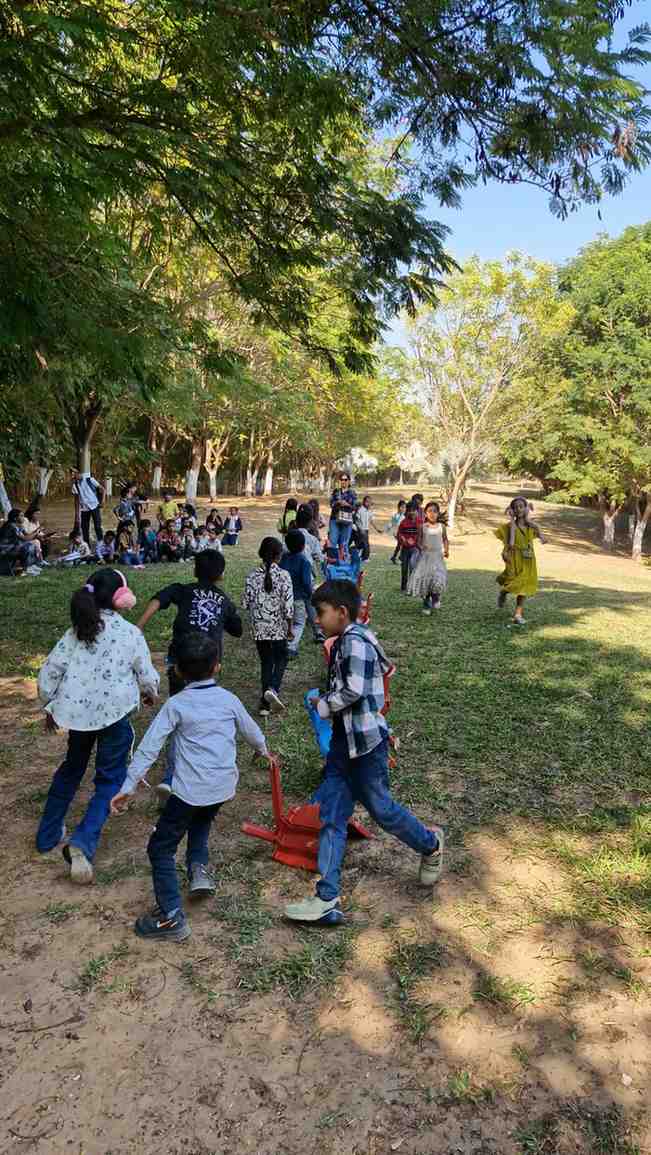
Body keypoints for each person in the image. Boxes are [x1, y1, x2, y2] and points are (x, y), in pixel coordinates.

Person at [284, 580, 444, 924]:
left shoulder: (355, 642)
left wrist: (323, 704)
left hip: (367, 747)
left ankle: (431, 844)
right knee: (332, 815)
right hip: (343, 743)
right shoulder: (348, 639)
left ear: (342, 612)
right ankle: (327, 897)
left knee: (382, 810)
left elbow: (353, 690)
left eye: (321, 613)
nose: (317, 620)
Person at [110, 632, 270, 942]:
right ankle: (199, 870)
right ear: (217, 666)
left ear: (178, 670)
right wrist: (263, 750)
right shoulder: (229, 699)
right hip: (222, 787)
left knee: (160, 848)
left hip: (190, 791)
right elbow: (252, 731)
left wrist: (129, 785)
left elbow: (149, 747)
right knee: (201, 820)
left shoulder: (177, 704)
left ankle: (171, 917)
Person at [35, 568, 159, 884]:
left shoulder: (76, 632)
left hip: (78, 718)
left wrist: (49, 705)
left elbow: (50, 672)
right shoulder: (131, 633)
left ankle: (47, 836)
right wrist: (149, 693)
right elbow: (147, 675)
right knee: (111, 778)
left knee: (71, 769)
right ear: (122, 598)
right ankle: (82, 842)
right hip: (115, 717)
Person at [137, 549, 243, 800]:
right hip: (207, 668)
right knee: (201, 719)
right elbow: (237, 629)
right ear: (221, 575)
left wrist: (138, 627)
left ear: (195, 570)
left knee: (178, 717)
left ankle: (171, 777)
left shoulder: (183, 590)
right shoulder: (224, 600)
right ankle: (191, 771)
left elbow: (158, 599)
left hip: (180, 664)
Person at [243, 537, 294, 715]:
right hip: (278, 627)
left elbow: (245, 603)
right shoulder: (284, 575)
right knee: (282, 657)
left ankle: (265, 705)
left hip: (259, 627)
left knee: (266, 661)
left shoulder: (251, 576)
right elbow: (288, 608)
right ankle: (273, 689)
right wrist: (290, 628)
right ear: (279, 556)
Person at [495, 496, 546, 625]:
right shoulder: (511, 526)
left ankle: (518, 614)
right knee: (513, 582)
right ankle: (503, 592)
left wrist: (542, 537)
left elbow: (541, 535)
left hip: (528, 560)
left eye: (521, 506)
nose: (518, 509)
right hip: (515, 558)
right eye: (515, 507)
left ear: (525, 508)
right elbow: (510, 542)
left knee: (524, 586)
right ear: (512, 510)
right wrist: (511, 519)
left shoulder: (531, 526)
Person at [408, 501, 449, 614]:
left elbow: (445, 539)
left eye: (435, 511)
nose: (432, 513)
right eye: (429, 511)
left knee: (437, 579)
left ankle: (435, 597)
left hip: (437, 558)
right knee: (425, 580)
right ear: (425, 513)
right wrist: (421, 546)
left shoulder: (441, 527)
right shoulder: (423, 527)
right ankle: (426, 604)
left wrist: (446, 550)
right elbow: (418, 541)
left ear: (438, 513)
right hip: (426, 558)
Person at [280, 530, 314, 658]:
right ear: (303, 545)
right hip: (298, 598)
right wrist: (310, 594)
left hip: (283, 597)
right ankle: (291, 647)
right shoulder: (304, 562)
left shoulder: (282, 558)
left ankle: (282, 642)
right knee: (299, 623)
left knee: (285, 620)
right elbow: (306, 582)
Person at [0, 508, 43, 574]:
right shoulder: (12, 525)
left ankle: (32, 565)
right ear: (15, 518)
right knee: (28, 546)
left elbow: (28, 535)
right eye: (21, 516)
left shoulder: (19, 525)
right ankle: (27, 568)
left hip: (13, 547)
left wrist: (37, 532)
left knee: (32, 545)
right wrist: (36, 532)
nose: (24, 518)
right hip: (5, 549)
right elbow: (25, 538)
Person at [71, 468, 104, 546]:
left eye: (74, 473)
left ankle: (101, 544)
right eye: (72, 474)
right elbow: (76, 501)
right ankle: (87, 546)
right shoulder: (75, 485)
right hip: (84, 509)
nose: (73, 476)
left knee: (97, 527)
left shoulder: (89, 480)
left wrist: (102, 501)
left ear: (79, 473)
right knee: (85, 528)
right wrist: (77, 515)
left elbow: (102, 489)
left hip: (94, 506)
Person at [329, 473, 357, 560]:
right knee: (333, 540)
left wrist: (347, 504)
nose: (343, 481)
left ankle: (344, 562)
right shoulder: (336, 492)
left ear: (349, 481)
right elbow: (331, 504)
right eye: (342, 479)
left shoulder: (353, 493)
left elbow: (355, 507)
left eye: (345, 480)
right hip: (335, 518)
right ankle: (332, 560)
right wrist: (338, 502)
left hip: (347, 520)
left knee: (344, 542)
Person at [396, 502, 420, 593]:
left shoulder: (420, 522)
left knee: (412, 567)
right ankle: (403, 587)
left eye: (414, 510)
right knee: (404, 568)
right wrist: (404, 539)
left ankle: (412, 587)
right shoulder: (404, 522)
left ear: (417, 511)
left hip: (415, 549)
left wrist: (415, 541)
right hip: (405, 549)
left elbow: (422, 535)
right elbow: (399, 534)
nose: (412, 512)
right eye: (410, 510)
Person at [354, 496, 384, 561]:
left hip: (366, 530)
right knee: (364, 544)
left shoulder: (369, 511)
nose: (369, 503)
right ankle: (364, 557)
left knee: (364, 544)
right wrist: (360, 529)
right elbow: (356, 520)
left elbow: (371, 521)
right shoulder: (360, 510)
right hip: (360, 529)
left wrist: (377, 529)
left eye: (370, 502)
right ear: (364, 502)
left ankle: (363, 556)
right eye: (367, 502)